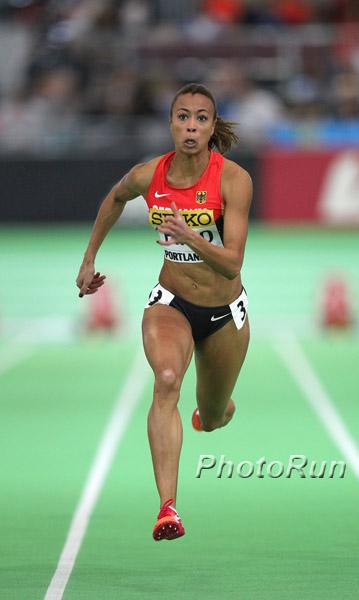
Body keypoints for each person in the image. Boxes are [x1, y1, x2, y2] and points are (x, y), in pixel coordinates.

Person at [76, 83, 252, 541]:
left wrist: (189, 234)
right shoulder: (148, 175)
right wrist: (89, 258)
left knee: (212, 417)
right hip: (171, 302)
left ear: (212, 127)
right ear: (171, 123)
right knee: (167, 380)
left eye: (201, 119)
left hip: (225, 313)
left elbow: (233, 263)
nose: (191, 126)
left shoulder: (233, 180)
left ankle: (214, 410)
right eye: (183, 117)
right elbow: (115, 198)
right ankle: (167, 508)